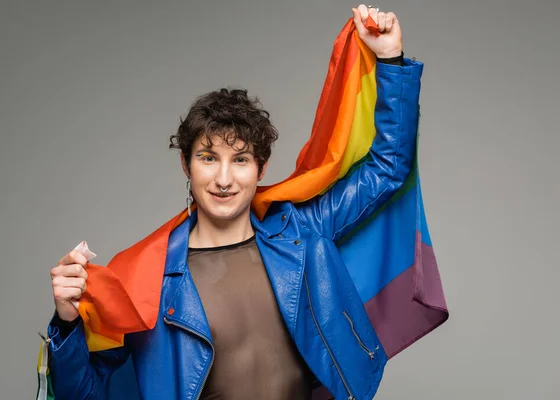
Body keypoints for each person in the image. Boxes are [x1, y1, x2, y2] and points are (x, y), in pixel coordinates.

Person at [47, 5, 421, 399]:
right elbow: (82, 396)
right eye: (208, 158)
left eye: (240, 159)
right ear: (186, 165)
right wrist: (68, 321)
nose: (223, 179)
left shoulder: (299, 233)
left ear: (260, 170)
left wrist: (389, 59)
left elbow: (387, 167)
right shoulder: (144, 279)